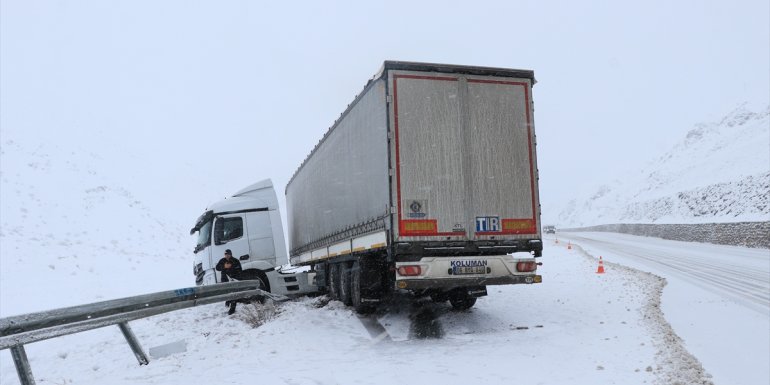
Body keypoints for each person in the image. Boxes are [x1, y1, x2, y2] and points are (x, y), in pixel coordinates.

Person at [215, 249, 242, 314]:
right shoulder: (222, 260)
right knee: (227, 292)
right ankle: (228, 301)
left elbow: (239, 270)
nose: (227, 256)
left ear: (231, 254)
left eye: (228, 254)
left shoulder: (235, 260)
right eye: (225, 254)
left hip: (233, 280)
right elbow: (217, 268)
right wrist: (224, 266)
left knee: (233, 293)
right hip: (224, 279)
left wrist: (231, 267)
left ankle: (232, 308)